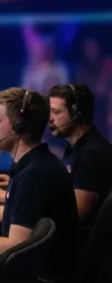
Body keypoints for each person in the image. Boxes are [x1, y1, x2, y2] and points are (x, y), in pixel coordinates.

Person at [0, 88, 77, 273]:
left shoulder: (34, 176)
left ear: (20, 127)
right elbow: (17, 215)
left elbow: (15, 246)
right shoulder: (36, 164)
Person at [48, 83, 112, 227]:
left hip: (76, 243)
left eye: (56, 112)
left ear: (77, 115)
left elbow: (74, 214)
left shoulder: (92, 154)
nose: (50, 118)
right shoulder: (75, 146)